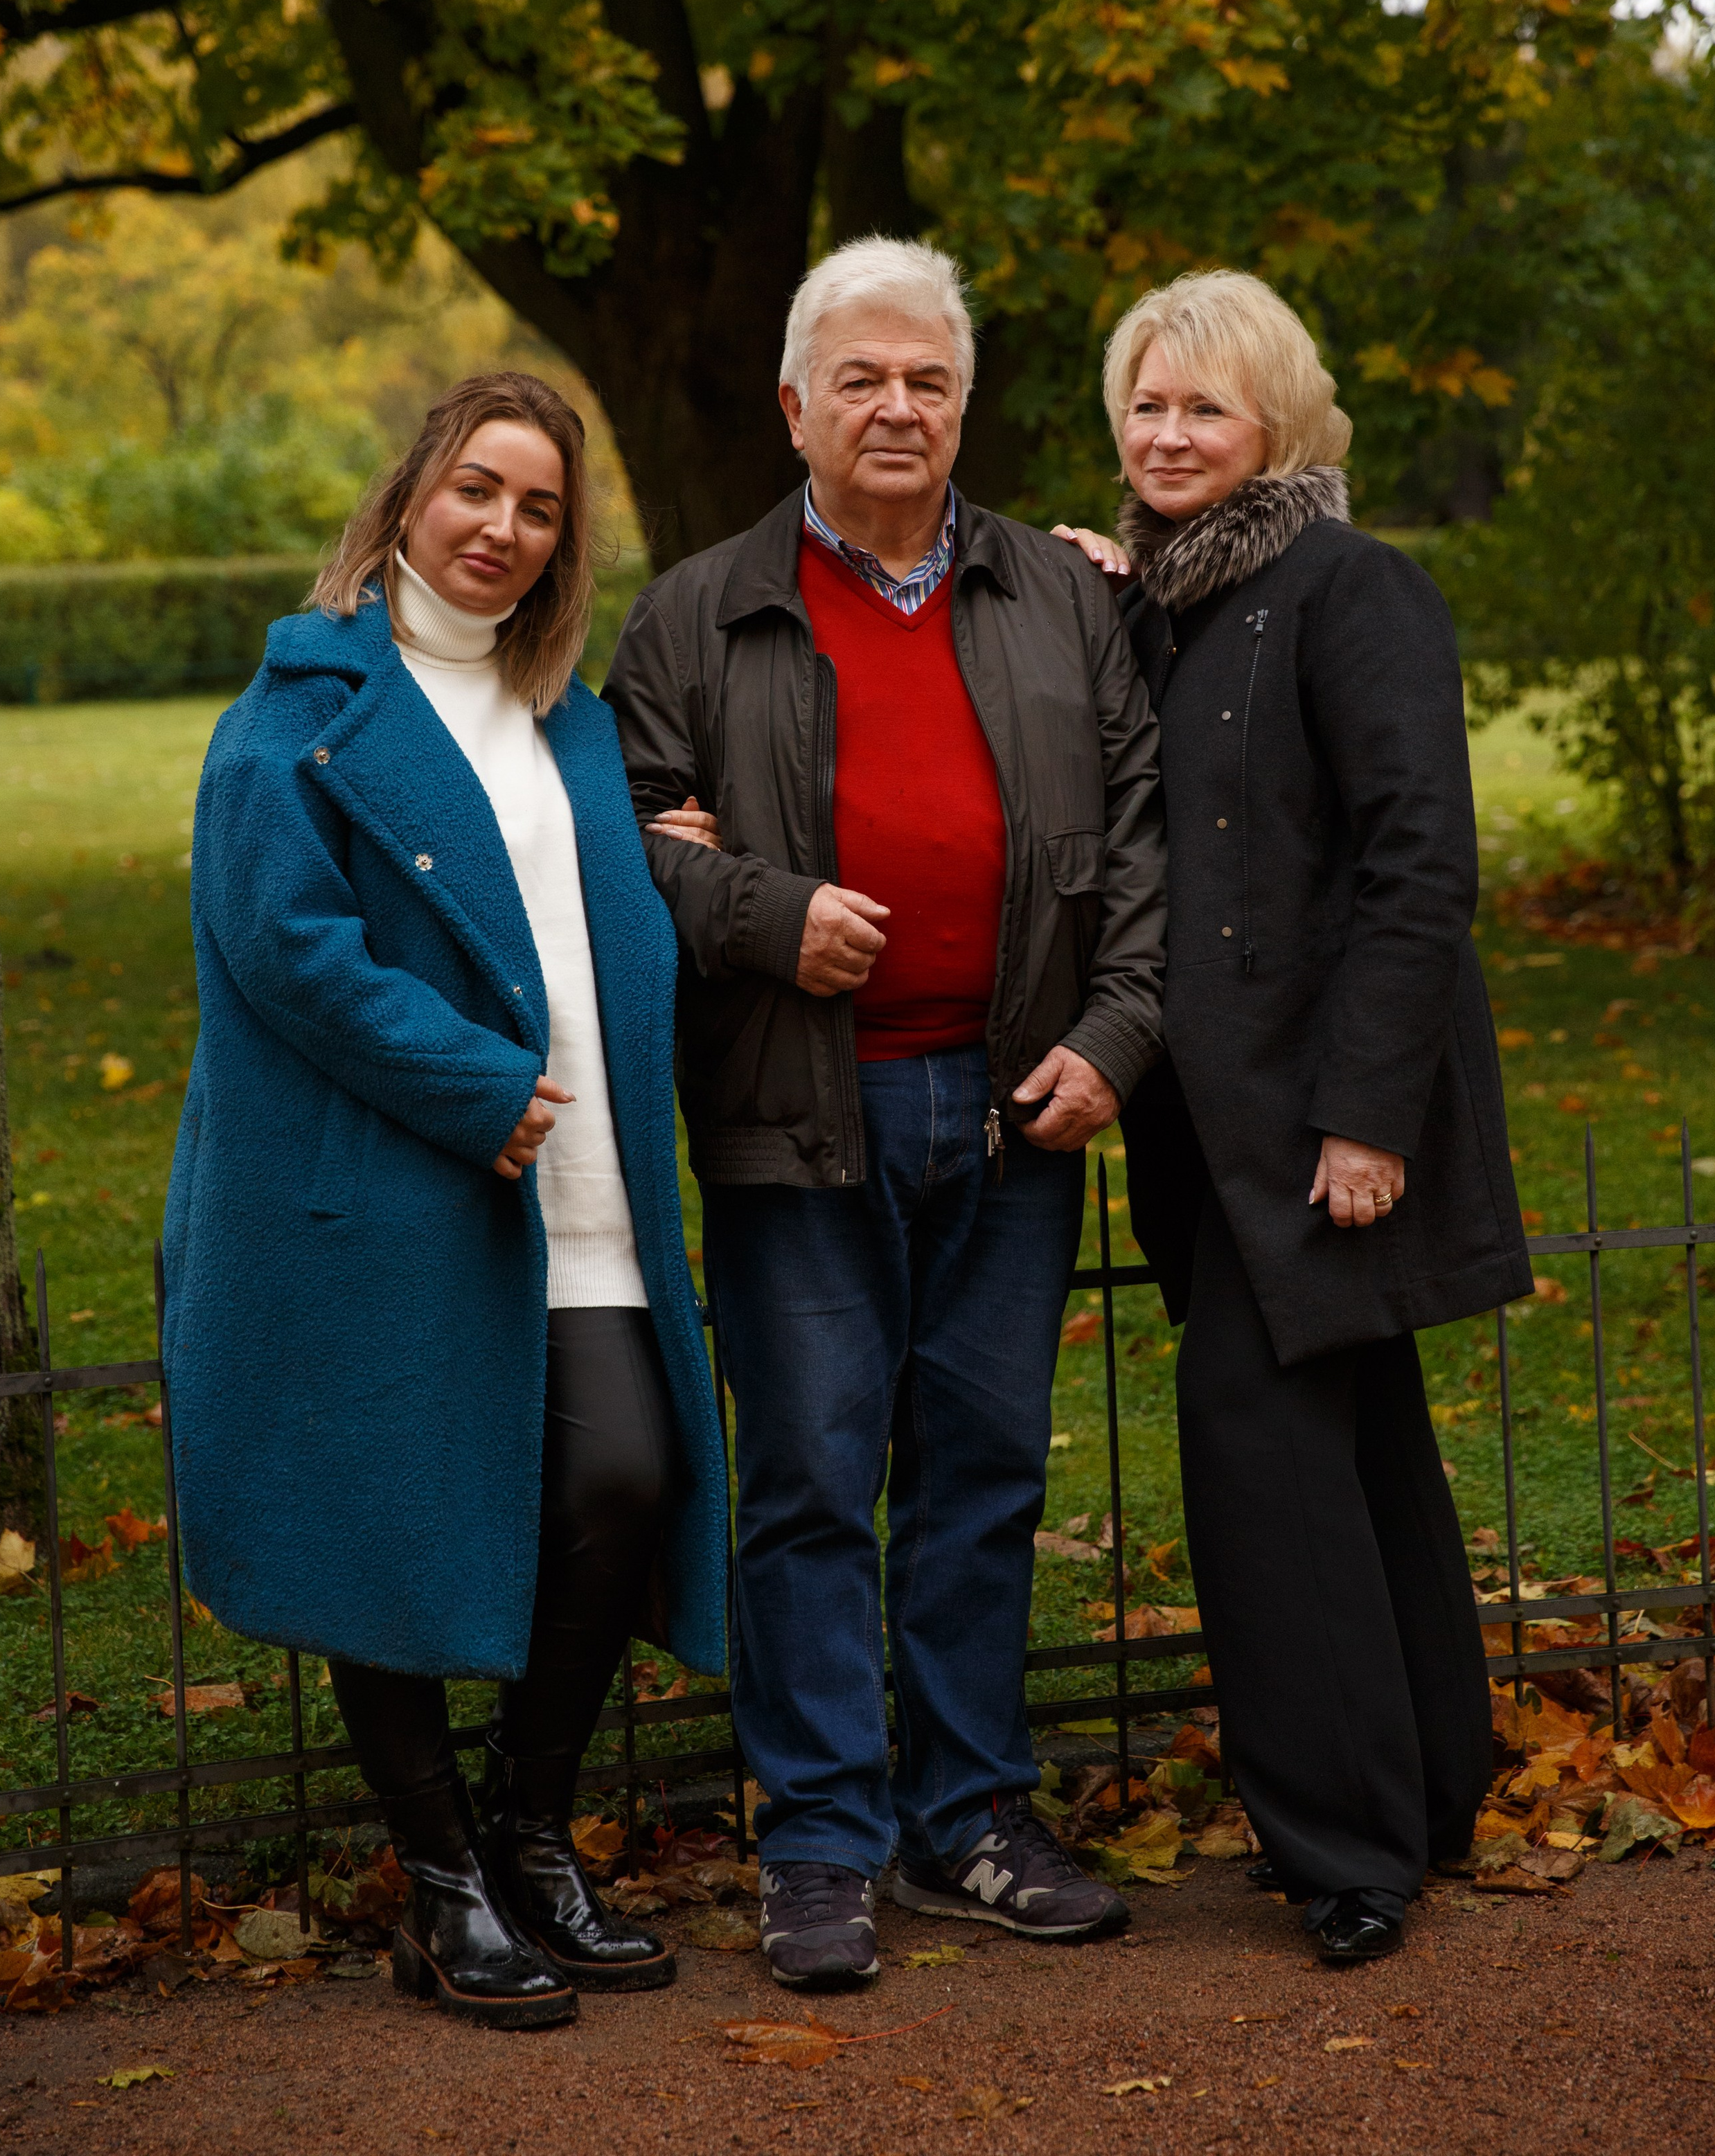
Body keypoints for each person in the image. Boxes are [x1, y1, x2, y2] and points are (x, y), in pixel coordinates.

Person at [603, 236, 1166, 1990]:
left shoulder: (1062, 595)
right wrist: (761, 914)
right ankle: (823, 1844)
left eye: (927, 379)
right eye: (860, 378)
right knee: (808, 1486)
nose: (896, 407)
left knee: (983, 1480)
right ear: (795, 406)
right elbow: (618, 845)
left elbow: (1143, 841)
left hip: (1015, 1114)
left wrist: (1117, 1036)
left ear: (964, 405)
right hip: (797, 1117)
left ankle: (969, 1819)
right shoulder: (695, 612)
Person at [161, 371, 729, 2029]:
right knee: (391, 1516)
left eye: (539, 507)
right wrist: (471, 1087)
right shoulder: (301, 707)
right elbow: (283, 946)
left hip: (584, 1182)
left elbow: (569, 908)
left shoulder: (571, 719)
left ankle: (530, 1836)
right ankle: (443, 1886)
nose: (501, 527)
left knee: (623, 1481)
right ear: (412, 495)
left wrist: (662, 860)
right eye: (477, 488)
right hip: (403, 1186)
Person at [1055, 268, 1532, 1966]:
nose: (1166, 434)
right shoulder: (1155, 605)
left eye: (1204, 407)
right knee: (1359, 1442)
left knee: (1254, 1451)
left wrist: (1365, 1119)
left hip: (1326, 1124)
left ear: (1277, 426)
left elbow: (1420, 865)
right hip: (1209, 1134)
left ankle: (1344, 1855)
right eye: (1144, 404)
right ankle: (1431, 1790)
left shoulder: (1350, 587)